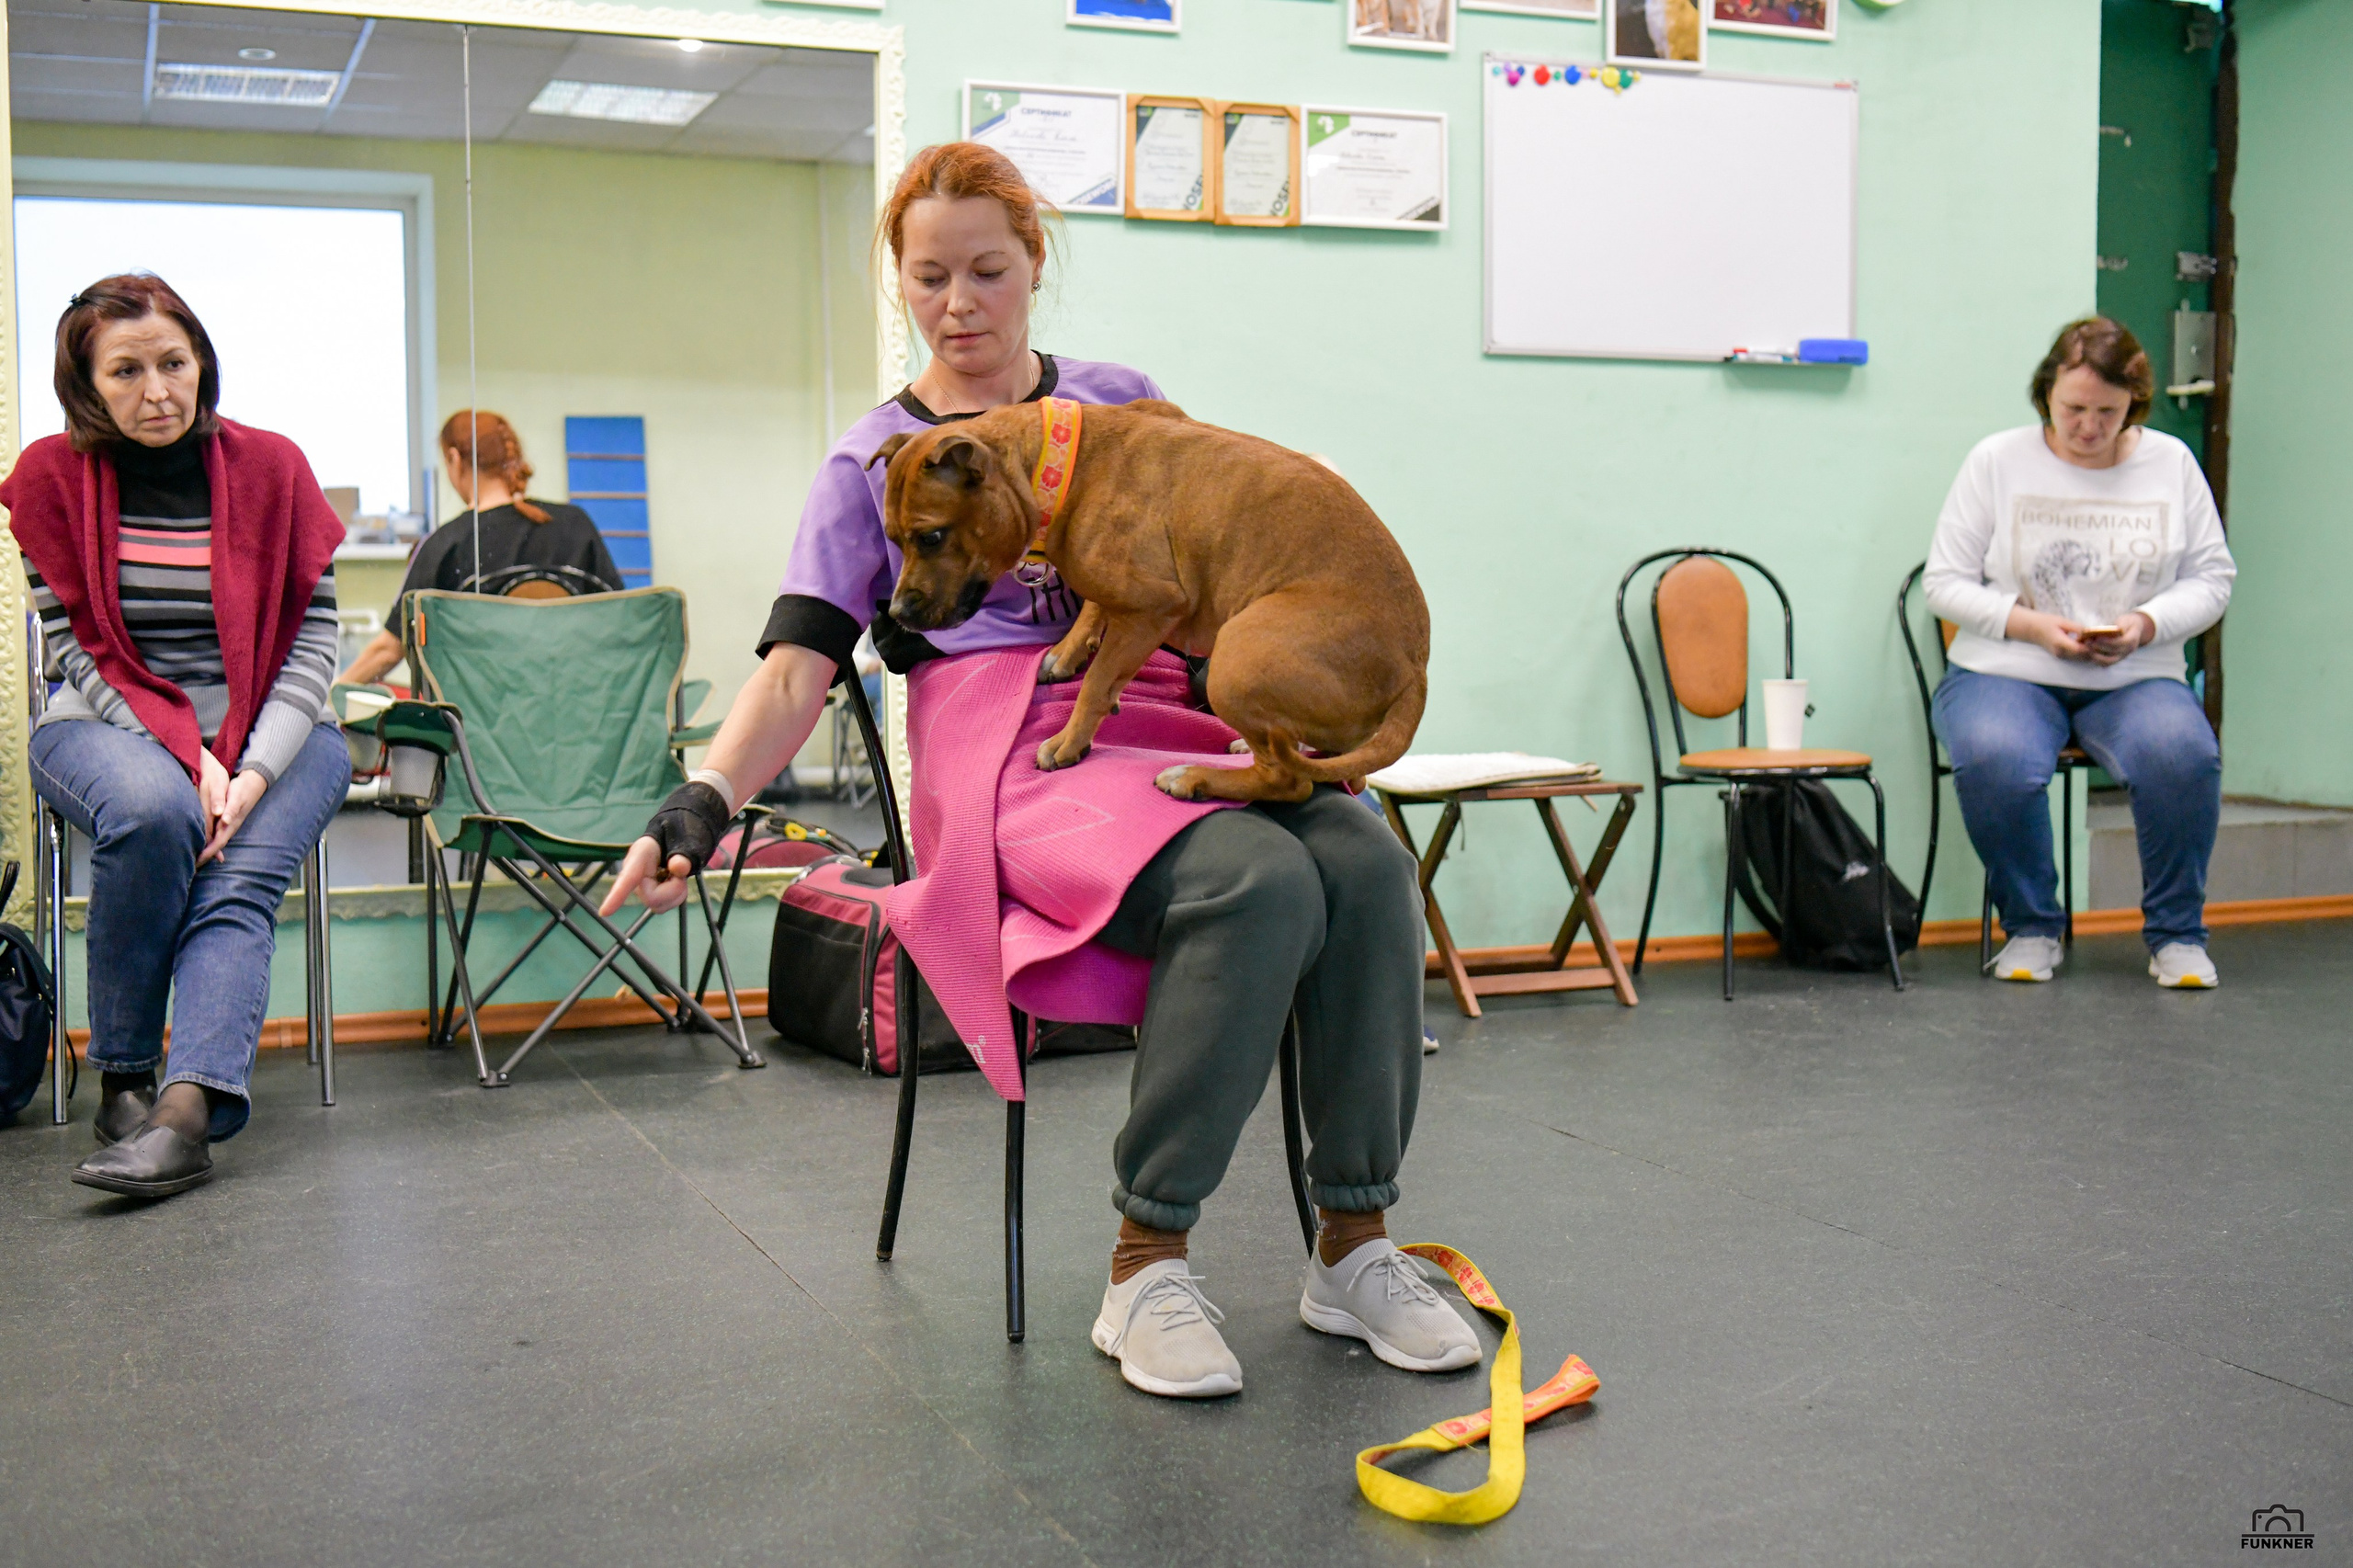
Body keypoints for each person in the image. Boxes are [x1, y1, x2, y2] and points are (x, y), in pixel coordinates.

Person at [601, 142, 1474, 1400]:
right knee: (1256, 879)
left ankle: (1355, 1240)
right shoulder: (875, 461)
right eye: (930, 276)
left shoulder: (1117, 404)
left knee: (1366, 865)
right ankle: (1148, 1259)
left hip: (1173, 696)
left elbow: (1215, 547)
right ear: (899, 283)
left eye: (988, 272)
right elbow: (798, 670)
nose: (960, 304)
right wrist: (700, 803)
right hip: (1009, 746)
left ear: (1033, 270)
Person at [1, 273, 350, 1196]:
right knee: (158, 808)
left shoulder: (273, 467)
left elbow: (314, 638)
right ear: (86, 385)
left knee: (237, 875)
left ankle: (185, 1113)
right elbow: (77, 647)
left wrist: (254, 770)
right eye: (124, 371)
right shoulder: (49, 478)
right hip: (106, 719)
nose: (156, 390)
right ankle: (124, 1074)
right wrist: (182, 751)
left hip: (277, 725)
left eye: (172, 362)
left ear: (202, 363)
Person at [1925, 317, 2234, 988]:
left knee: (2183, 756)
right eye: (2073, 410)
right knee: (1995, 757)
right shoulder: (1997, 460)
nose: (2089, 428)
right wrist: (2033, 626)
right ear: (2046, 395)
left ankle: (2178, 937)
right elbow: (1942, 584)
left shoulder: (2172, 463)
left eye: (2108, 413)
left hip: (2135, 674)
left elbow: (2213, 579)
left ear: (2134, 406)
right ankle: (2034, 929)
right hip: (2005, 668)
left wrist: (2146, 625)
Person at [338, 410, 621, 684]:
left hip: (482, 724)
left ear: (454, 458)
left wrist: (331, 697)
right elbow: (623, 619)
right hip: (577, 711)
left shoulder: (446, 544)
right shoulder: (576, 524)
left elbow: (389, 649)